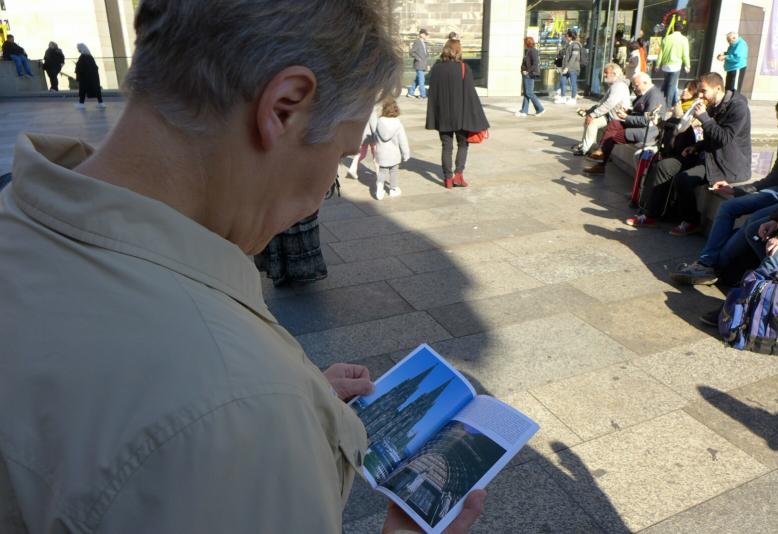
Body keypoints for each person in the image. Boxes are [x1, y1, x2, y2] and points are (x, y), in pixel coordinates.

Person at [0, 0, 488, 531]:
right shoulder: (237, 408)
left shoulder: (19, 220)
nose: (318, 200)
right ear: (284, 108)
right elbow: (203, 411)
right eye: (337, 155)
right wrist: (268, 409)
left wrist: (300, 399)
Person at [669, 92, 778, 285]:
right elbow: (776, 176)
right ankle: (707, 263)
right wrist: (737, 190)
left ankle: (714, 268)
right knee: (728, 206)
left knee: (753, 224)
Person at [626, 72, 752, 235]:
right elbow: (711, 137)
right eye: (699, 91)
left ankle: (691, 221)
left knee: (684, 179)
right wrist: (697, 146)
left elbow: (724, 138)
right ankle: (652, 215)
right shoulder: (713, 105)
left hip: (726, 163)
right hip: (708, 155)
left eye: (704, 91)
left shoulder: (738, 107)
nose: (700, 96)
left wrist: (704, 118)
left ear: (717, 88)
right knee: (663, 166)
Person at [426, 38, 490, 189]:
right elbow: (470, 94)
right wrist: (479, 118)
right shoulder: (463, 67)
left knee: (446, 147)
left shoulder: (436, 68)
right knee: (463, 144)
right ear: (458, 51)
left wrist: (433, 115)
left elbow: (432, 93)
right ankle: (458, 175)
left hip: (443, 115)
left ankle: (448, 179)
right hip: (461, 115)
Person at [584, 72, 666, 174]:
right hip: (637, 126)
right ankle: (601, 155)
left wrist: (627, 117)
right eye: (633, 86)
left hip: (646, 132)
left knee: (612, 137)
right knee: (614, 124)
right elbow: (641, 113)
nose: (634, 89)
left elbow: (647, 120)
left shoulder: (654, 96)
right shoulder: (645, 92)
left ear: (645, 82)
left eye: (636, 85)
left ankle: (601, 159)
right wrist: (629, 112)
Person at [573, 62, 631, 157]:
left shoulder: (619, 86)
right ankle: (584, 145)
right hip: (610, 116)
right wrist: (590, 111)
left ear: (614, 74)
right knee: (590, 120)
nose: (604, 75)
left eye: (606, 72)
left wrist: (593, 114)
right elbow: (602, 102)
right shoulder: (614, 85)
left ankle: (586, 149)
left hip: (617, 119)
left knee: (591, 121)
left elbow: (609, 104)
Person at [373, 97, 410, 199]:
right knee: (393, 172)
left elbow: (375, 137)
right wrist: (406, 154)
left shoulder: (379, 122)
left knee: (382, 171)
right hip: (394, 154)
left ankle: (379, 188)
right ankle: (393, 189)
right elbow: (403, 141)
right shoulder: (398, 123)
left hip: (382, 153)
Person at [656, 21, 690, 107]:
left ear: (673, 28)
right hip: (676, 66)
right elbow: (685, 54)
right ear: (681, 29)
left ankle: (659, 101)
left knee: (666, 84)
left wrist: (657, 64)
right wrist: (687, 65)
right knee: (671, 86)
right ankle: (667, 106)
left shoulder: (666, 38)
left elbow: (660, 53)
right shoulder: (684, 39)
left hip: (665, 66)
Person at [516, 36, 545, 118]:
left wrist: (527, 71)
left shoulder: (533, 51)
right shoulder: (528, 51)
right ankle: (524, 111)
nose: (523, 44)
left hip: (530, 74)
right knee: (526, 93)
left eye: (524, 43)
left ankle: (540, 109)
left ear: (527, 43)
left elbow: (535, 63)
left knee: (529, 93)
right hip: (527, 74)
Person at [346, 106, 378, 180]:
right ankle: (379, 172)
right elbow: (374, 124)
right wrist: (377, 136)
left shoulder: (360, 107)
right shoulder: (371, 107)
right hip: (370, 135)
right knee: (376, 153)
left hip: (362, 133)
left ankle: (352, 169)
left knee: (361, 153)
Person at [554, 29, 581, 105]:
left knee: (573, 83)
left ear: (570, 37)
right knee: (562, 81)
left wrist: (567, 67)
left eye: (566, 36)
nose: (565, 37)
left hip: (573, 68)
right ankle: (563, 97)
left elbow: (573, 58)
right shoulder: (568, 44)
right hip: (565, 68)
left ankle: (573, 99)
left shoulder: (575, 45)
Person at [75, 43, 104, 109]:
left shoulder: (82, 57)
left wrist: (77, 69)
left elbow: (80, 68)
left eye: (78, 48)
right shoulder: (90, 56)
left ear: (81, 49)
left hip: (85, 78)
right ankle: (101, 103)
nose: (78, 50)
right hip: (93, 77)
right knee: (96, 89)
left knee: (82, 90)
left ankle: (81, 104)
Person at [407, 28, 429, 99]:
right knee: (422, 80)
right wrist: (418, 58)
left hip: (423, 65)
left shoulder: (424, 43)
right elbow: (411, 52)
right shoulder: (417, 42)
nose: (426, 36)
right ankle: (423, 95)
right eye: (425, 34)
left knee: (417, 80)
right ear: (421, 34)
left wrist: (427, 65)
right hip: (419, 64)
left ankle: (410, 93)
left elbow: (425, 56)